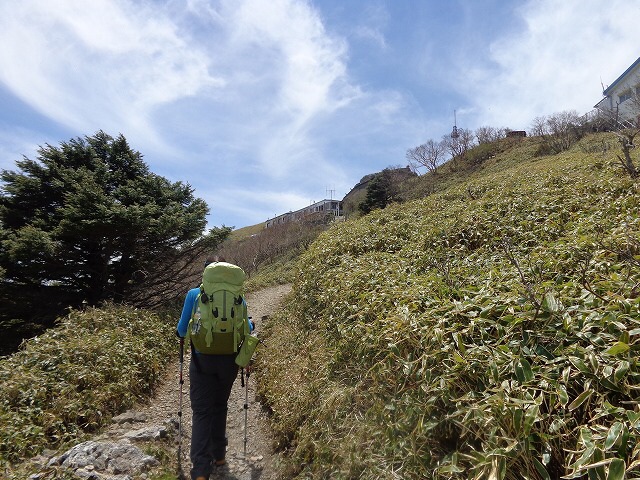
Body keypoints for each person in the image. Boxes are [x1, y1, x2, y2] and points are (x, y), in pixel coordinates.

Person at [176, 257, 253, 480]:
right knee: (220, 406)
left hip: (202, 360)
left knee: (202, 412)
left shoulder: (194, 294)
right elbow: (246, 327)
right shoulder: (238, 296)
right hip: (228, 361)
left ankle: (201, 469)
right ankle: (219, 456)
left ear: (206, 274)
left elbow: (182, 331)